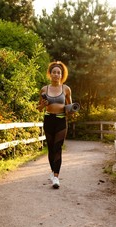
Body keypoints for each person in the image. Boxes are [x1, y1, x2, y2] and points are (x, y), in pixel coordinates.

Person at [37, 61, 72, 189]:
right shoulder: (44, 89)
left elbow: (69, 107)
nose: (56, 75)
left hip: (61, 121)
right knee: (51, 148)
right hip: (49, 119)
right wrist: (43, 105)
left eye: (58, 73)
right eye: (54, 72)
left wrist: (72, 110)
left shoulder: (66, 89)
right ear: (50, 74)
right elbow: (39, 108)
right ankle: (53, 172)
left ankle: (56, 177)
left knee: (58, 147)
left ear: (62, 75)